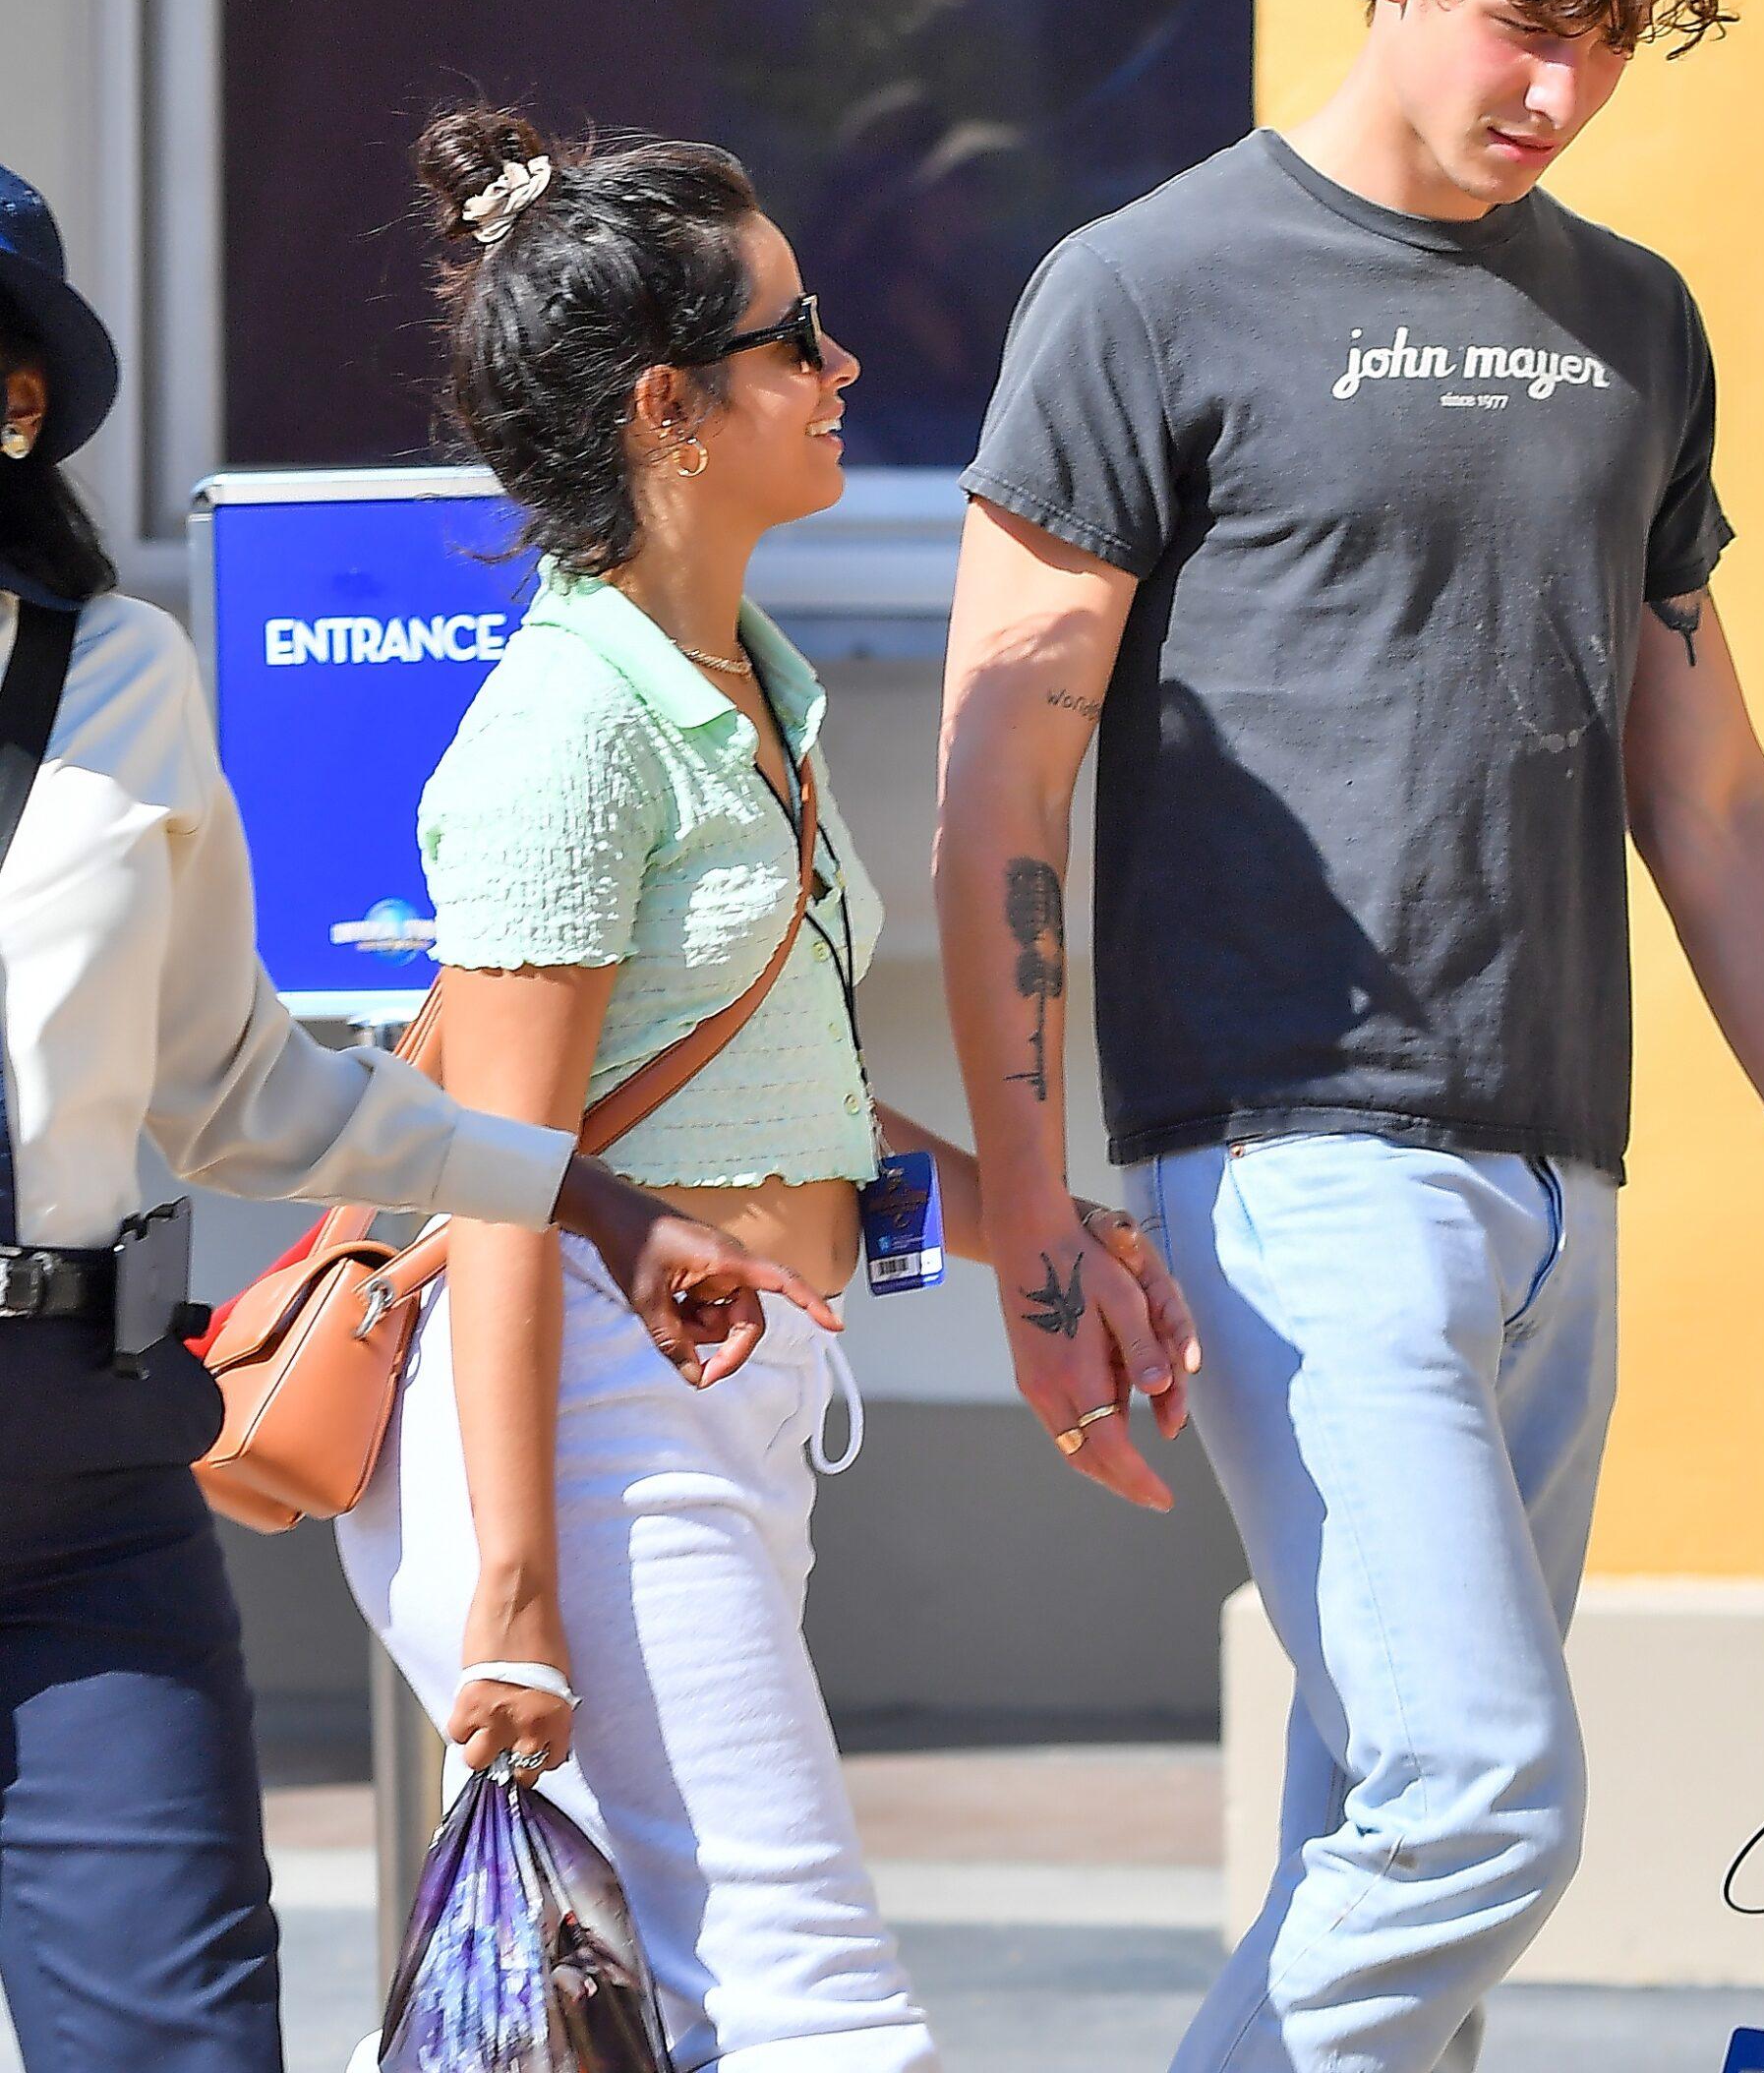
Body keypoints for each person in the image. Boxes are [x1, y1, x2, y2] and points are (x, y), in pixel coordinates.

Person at [934, 0, 1764, 2072]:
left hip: (1559, 1183)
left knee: (1390, 1844)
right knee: (1479, 1800)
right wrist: (1035, 1193)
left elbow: (1713, 799)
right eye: (1532, 24)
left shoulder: (1633, 322)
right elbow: (1001, 761)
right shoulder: (1143, 292)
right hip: (1300, 1159)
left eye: (1613, 40)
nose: (1565, 90)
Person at [336, 108, 1197, 2071]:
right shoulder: (570, 724)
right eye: (796, 337)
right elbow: (494, 1173)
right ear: (670, 407)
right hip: (581, 1415)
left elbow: (779, 1109)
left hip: (714, 1399)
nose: (846, 367)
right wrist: (520, 1600)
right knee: (821, 2022)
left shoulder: (743, 685)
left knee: (730, 2021)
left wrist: (1046, 1230)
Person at [0, 160, 829, 2073]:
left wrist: (587, 1202)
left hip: (77, 1495)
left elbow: (241, 1086)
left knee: (182, 2042)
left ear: (18, 407)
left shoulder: (119, 675)